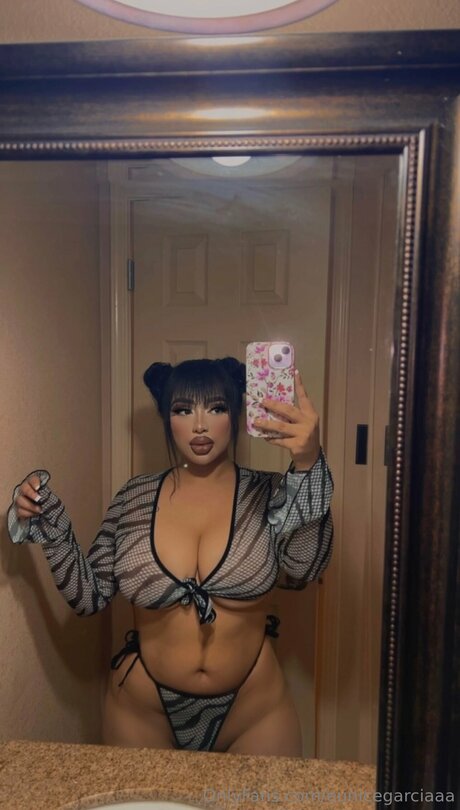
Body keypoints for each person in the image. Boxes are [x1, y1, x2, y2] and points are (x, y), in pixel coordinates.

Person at [7, 356, 334, 756]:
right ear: (166, 417)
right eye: (183, 410)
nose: (200, 425)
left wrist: (308, 465)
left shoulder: (271, 493)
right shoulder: (134, 497)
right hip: (142, 711)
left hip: (255, 709)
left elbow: (304, 568)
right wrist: (52, 526)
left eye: (217, 408)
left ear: (236, 415)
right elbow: (89, 597)